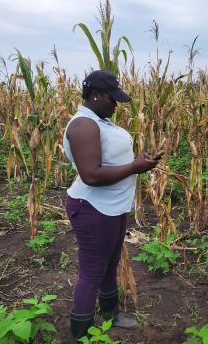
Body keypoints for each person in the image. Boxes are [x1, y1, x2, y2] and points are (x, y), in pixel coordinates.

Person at [63, 69, 159, 340]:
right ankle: (80, 333)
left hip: (113, 207)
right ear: (96, 95)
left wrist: (139, 162)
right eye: (112, 99)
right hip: (93, 208)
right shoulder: (83, 125)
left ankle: (110, 314)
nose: (115, 105)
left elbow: (113, 159)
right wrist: (134, 167)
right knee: (92, 271)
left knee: (110, 263)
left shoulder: (100, 121)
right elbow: (91, 175)